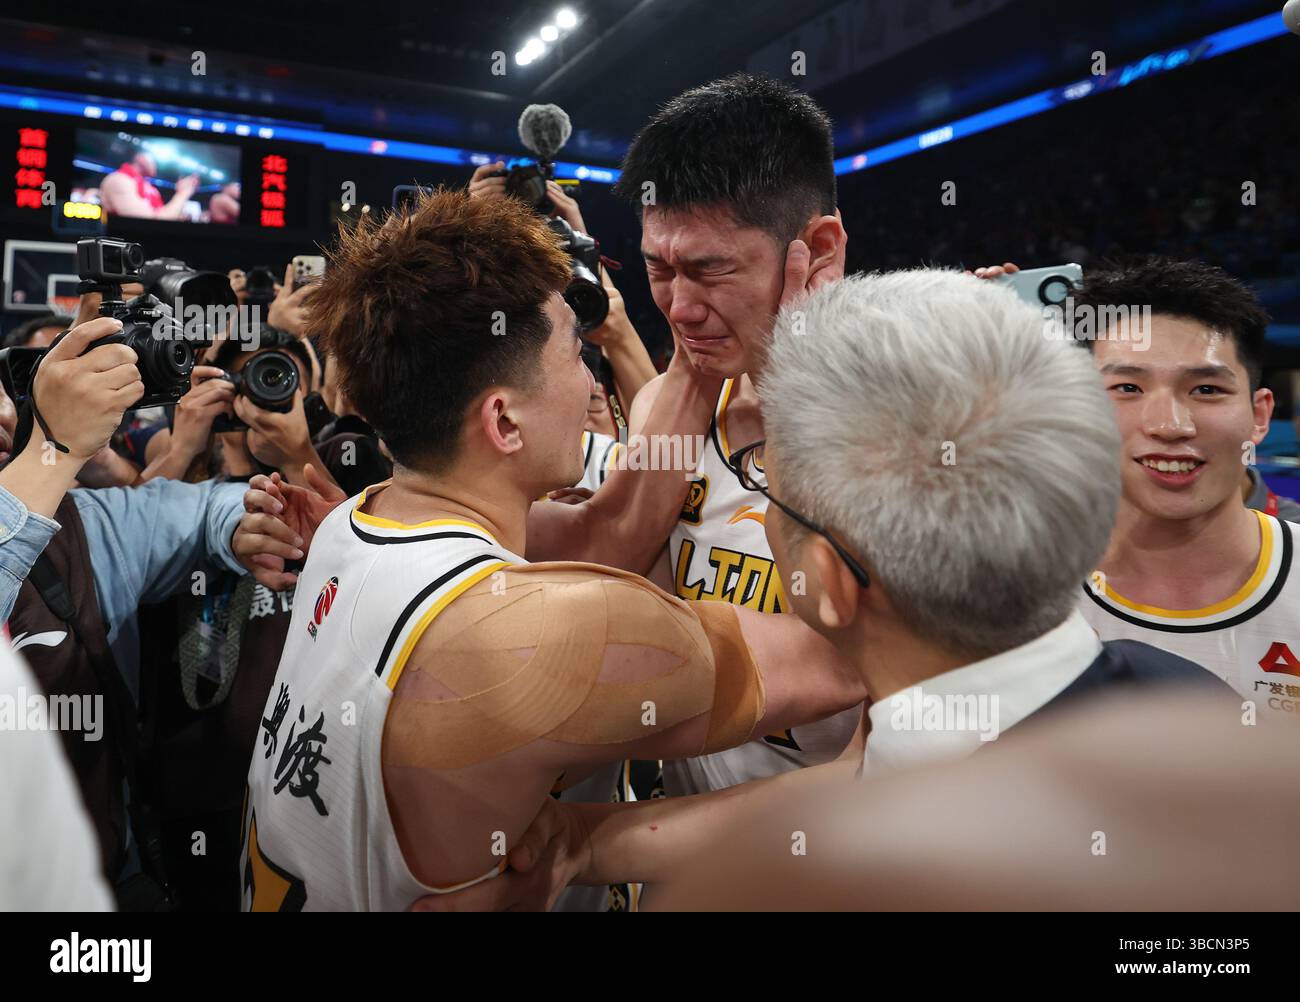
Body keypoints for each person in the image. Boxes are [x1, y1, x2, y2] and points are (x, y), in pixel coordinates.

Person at [411, 271, 1228, 911]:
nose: (759, 506)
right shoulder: (1190, 710)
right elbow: (863, 777)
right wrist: (587, 843)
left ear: (833, 584)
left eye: (777, 494)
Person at [237, 188, 866, 911]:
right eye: (575, 352)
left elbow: (610, 532)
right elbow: (845, 656)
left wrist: (699, 348)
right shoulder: (547, 638)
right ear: (503, 421)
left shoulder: (348, 525)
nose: (590, 377)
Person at [609, 72, 857, 794]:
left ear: (819, 246)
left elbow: (904, 718)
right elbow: (637, 612)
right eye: (659, 270)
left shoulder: (922, 423)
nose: (679, 308)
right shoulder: (665, 402)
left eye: (710, 270)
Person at [1071, 258, 1300, 713]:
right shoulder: (1009, 595)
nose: (1169, 426)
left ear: (1259, 415)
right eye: (1127, 388)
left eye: (1206, 390)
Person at [99, 151, 199, 222]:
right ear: (140, 158)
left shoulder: (149, 187)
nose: (156, 165)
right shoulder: (120, 180)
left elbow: (161, 215)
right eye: (153, 160)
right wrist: (183, 193)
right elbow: (151, 224)